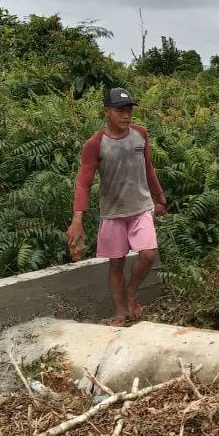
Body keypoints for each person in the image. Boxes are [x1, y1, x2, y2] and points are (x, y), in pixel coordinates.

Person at [67, 87, 167, 326]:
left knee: (148, 253)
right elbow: (83, 182)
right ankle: (120, 313)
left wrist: (159, 197)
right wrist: (77, 219)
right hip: (113, 213)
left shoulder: (140, 135)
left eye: (129, 110)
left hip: (141, 208)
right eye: (120, 110)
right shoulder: (95, 144)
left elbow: (148, 168)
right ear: (107, 112)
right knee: (116, 264)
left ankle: (132, 291)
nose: (126, 115)